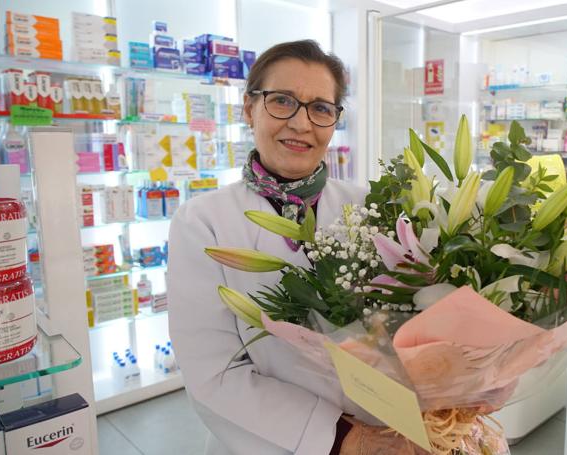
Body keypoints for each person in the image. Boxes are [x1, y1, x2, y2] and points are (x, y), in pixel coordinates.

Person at [168, 40, 425, 455]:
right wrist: (343, 440)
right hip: (269, 441)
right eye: (282, 101)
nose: (302, 123)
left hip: (382, 430)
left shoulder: (368, 207)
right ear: (249, 108)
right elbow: (214, 373)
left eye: (321, 108)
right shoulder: (202, 223)